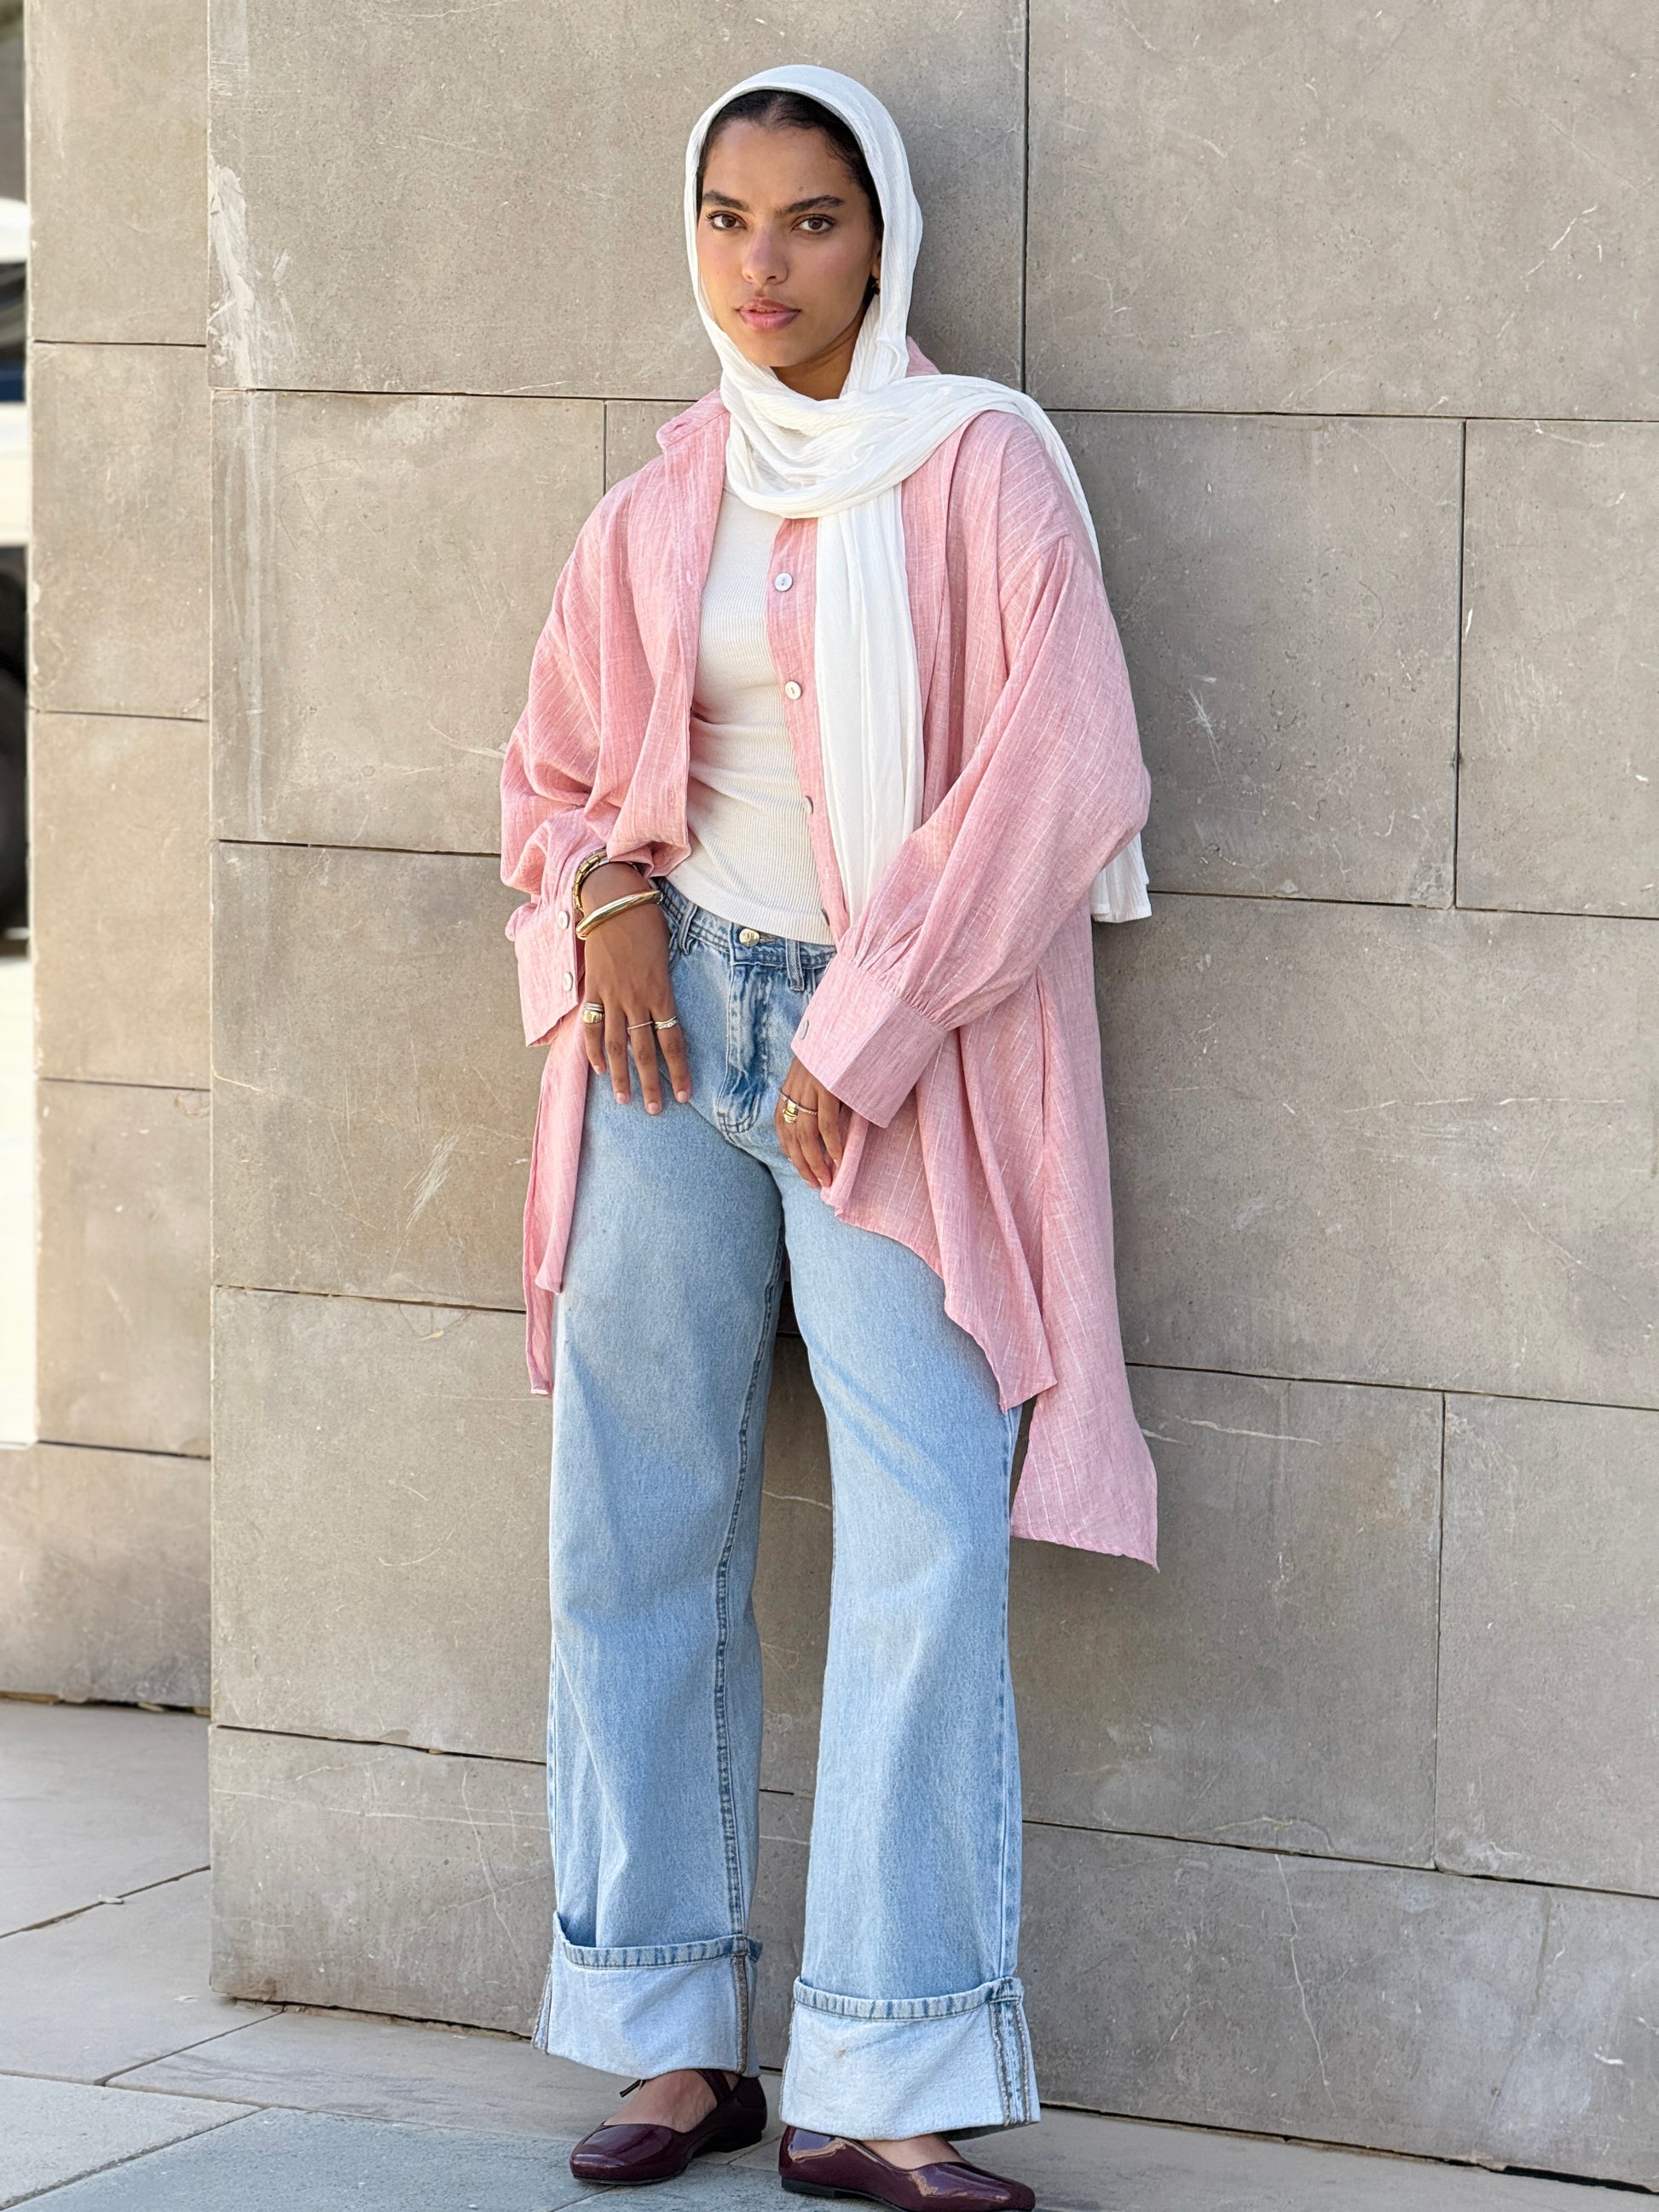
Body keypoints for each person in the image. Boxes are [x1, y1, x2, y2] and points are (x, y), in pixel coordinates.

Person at [499, 64, 1159, 2212]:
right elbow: (553, 768)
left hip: (894, 1054)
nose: (760, 263)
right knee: (636, 1518)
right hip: (662, 1041)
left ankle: (883, 2071)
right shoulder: (663, 496)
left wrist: (866, 1028)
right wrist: (601, 891)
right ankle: (668, 2026)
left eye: (807, 220)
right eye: (726, 218)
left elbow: (1061, 769)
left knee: (925, 1534)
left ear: (882, 244)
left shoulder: (979, 465)